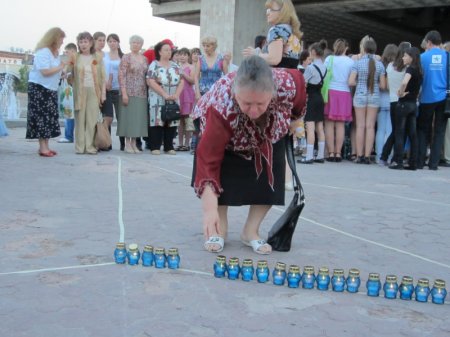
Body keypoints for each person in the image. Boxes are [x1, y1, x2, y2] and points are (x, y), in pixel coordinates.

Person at [192, 56, 306, 255]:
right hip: (224, 131)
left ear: (272, 91)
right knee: (224, 172)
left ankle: (250, 231)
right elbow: (208, 161)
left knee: (271, 176)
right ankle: (219, 229)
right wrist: (208, 211)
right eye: (246, 103)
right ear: (236, 92)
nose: (253, 111)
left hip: (267, 131)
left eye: (260, 103)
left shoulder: (289, 84)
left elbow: (299, 102)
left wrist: (295, 121)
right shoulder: (221, 104)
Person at [26, 27, 66, 157]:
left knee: (49, 118)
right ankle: (42, 147)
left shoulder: (55, 52)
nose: (62, 42)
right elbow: (45, 72)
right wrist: (61, 66)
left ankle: (46, 146)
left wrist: (63, 73)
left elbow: (54, 72)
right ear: (54, 38)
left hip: (51, 89)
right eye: (61, 39)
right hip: (39, 88)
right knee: (41, 117)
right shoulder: (43, 52)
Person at [349, 37, 386, 164]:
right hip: (374, 95)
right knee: (370, 126)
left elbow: (351, 81)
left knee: (360, 126)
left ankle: (359, 155)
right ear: (375, 50)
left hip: (360, 94)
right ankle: (367, 156)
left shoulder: (358, 63)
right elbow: (383, 86)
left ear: (363, 49)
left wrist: (360, 82)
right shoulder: (380, 65)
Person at [192, 36, 230, 154]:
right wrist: (197, 92)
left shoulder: (221, 58)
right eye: (204, 46)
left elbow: (226, 76)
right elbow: (196, 76)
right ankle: (200, 144)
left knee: (214, 117)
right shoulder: (200, 58)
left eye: (208, 46)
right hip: (203, 92)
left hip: (217, 93)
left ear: (214, 46)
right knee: (201, 117)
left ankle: (214, 143)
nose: (205, 48)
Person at [417, 30, 449, 170]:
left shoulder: (422, 57)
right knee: (440, 130)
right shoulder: (447, 56)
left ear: (429, 42)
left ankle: (420, 160)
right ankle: (434, 163)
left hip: (427, 98)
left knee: (423, 129)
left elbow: (418, 78)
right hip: (443, 98)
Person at [70, 32, 106, 155]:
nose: (83, 44)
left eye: (86, 42)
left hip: (94, 91)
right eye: (81, 42)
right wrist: (67, 74)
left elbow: (102, 76)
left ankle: (90, 146)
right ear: (78, 44)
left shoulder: (97, 57)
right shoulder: (75, 57)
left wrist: (103, 94)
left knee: (91, 120)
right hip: (80, 91)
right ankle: (80, 147)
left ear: (91, 43)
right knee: (80, 119)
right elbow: (68, 73)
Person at [146, 40, 184, 155]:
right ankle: (155, 146)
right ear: (160, 52)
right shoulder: (154, 64)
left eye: (170, 50)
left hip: (173, 96)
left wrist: (176, 94)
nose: (169, 52)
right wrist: (164, 94)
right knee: (157, 120)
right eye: (166, 50)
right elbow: (150, 81)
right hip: (157, 97)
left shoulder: (176, 66)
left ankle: (169, 146)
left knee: (172, 119)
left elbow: (182, 81)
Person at [389, 47, 422, 170]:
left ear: (411, 57)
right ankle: (413, 162)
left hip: (404, 104)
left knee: (399, 132)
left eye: (405, 56)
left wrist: (401, 92)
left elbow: (404, 82)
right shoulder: (419, 70)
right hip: (414, 104)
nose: (403, 58)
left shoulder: (410, 69)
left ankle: (398, 161)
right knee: (413, 134)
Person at [243, 0, 302, 69]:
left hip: (276, 77)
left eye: (271, 10)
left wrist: (255, 54)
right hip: (292, 77)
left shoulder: (276, 30)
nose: (267, 13)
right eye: (267, 10)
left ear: (282, 12)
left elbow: (274, 59)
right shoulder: (292, 32)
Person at [379, 41, 411, 165]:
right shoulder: (407, 69)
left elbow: (386, 85)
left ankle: (384, 156)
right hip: (402, 100)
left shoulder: (390, 66)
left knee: (395, 130)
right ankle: (395, 158)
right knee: (400, 131)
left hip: (391, 101)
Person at [323, 38, 354, 162]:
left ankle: (330, 153)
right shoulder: (350, 62)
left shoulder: (329, 59)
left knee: (329, 124)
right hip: (344, 93)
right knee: (340, 125)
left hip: (330, 91)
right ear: (346, 48)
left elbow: (324, 75)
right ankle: (338, 153)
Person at [117, 35, 148, 154]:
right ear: (130, 44)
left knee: (137, 119)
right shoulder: (126, 57)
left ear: (141, 45)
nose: (135, 44)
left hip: (141, 92)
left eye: (138, 43)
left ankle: (134, 142)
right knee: (128, 118)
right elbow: (121, 75)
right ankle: (127, 143)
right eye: (133, 42)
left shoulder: (145, 59)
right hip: (128, 91)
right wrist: (124, 93)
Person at [298, 41, 327, 164]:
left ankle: (309, 156)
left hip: (312, 98)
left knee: (310, 127)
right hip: (320, 97)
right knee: (320, 127)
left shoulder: (310, 67)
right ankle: (320, 155)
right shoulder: (324, 67)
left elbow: (303, 82)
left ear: (314, 52)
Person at [102, 33, 124, 150]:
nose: (112, 43)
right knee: (108, 117)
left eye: (114, 41)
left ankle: (123, 143)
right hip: (107, 89)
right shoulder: (104, 56)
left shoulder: (123, 56)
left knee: (121, 117)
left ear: (118, 43)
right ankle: (107, 143)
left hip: (120, 90)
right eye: (109, 41)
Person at [375, 44, 398, 163]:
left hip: (380, 100)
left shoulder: (380, 65)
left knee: (380, 129)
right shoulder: (396, 67)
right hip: (392, 100)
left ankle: (379, 155)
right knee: (390, 129)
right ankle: (388, 156)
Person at [58, 42, 77, 144]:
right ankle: (68, 135)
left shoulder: (75, 62)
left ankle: (68, 136)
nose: (65, 54)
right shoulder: (68, 63)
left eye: (67, 52)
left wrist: (66, 75)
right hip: (67, 91)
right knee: (68, 113)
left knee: (69, 113)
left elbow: (73, 76)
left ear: (73, 51)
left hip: (72, 91)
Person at [177, 47, 195, 151]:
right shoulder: (174, 66)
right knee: (179, 120)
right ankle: (180, 143)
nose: (182, 57)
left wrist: (183, 73)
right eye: (181, 54)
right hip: (178, 95)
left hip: (187, 94)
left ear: (188, 56)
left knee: (188, 120)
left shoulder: (191, 67)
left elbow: (192, 81)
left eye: (185, 55)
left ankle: (187, 144)